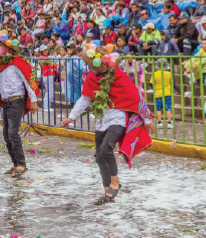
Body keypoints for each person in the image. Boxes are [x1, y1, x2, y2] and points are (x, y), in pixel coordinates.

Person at [60, 45, 153, 205]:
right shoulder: (91, 78)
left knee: (106, 149)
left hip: (118, 118)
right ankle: (107, 191)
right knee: (99, 156)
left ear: (101, 65)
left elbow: (135, 97)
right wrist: (71, 117)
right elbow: (85, 99)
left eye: (91, 66)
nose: (89, 68)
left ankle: (115, 183)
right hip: (101, 120)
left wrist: (148, 120)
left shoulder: (118, 75)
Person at [0, 32, 39, 178]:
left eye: (0, 46)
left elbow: (27, 81)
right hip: (6, 102)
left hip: (16, 100)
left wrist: (33, 100)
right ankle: (15, 163)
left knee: (13, 134)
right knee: (6, 135)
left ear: (8, 48)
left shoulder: (17, 62)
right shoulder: (2, 65)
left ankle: (21, 164)